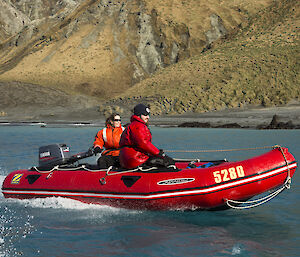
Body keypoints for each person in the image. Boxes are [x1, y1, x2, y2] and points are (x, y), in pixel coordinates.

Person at [119, 104, 175, 169]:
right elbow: (143, 143)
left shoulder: (134, 125)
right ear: (138, 115)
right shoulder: (138, 126)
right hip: (135, 159)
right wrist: (159, 154)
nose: (148, 117)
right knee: (166, 162)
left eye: (148, 115)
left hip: (128, 159)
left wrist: (156, 153)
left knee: (160, 159)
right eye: (145, 115)